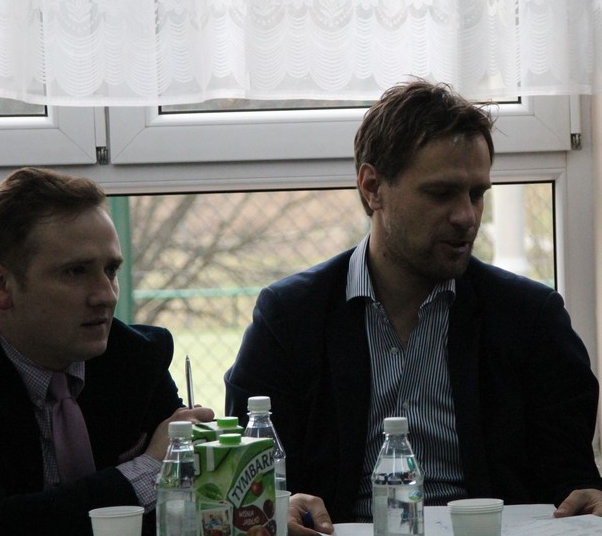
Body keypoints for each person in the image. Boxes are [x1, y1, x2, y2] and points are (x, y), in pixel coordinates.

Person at [224, 79, 602, 535]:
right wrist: (281, 503)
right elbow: (250, 481)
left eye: (477, 194)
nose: (467, 217)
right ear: (372, 187)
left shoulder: (530, 318)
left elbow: (572, 482)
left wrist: (589, 496)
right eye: (441, 194)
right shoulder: (289, 319)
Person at [0, 167, 214, 536]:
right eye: (76, 272)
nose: (106, 295)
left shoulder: (136, 358)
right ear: (0, 285)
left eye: (110, 270)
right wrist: (149, 470)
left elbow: (188, 508)